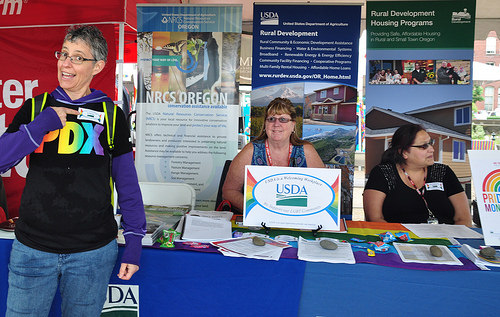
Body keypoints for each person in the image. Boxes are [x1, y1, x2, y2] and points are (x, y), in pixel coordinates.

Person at [0, 25, 146, 316]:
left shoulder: (111, 114)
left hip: (92, 253)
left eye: (78, 58)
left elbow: (127, 184)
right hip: (33, 248)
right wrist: (41, 125)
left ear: (98, 66)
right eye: (64, 54)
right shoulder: (36, 107)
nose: (65, 64)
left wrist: (133, 242)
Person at [222, 97, 325, 213]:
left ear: (293, 125)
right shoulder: (250, 151)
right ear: (265, 124)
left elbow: (324, 192)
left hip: (299, 221)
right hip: (259, 222)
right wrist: (257, 210)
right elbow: (229, 191)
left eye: (283, 119)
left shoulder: (307, 151)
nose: (276, 124)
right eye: (271, 119)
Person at [363, 124, 471, 226]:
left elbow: (463, 218)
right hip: (400, 241)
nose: (432, 149)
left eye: (431, 142)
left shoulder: (443, 172)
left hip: (447, 242)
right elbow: (374, 218)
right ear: (404, 152)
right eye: (424, 146)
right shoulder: (383, 173)